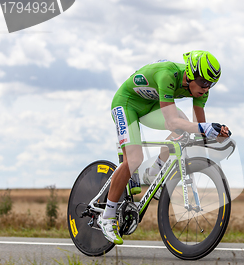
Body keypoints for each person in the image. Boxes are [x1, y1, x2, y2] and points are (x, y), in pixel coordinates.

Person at [98, 50, 230, 245]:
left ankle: (155, 171)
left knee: (184, 128)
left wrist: (217, 135)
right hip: (126, 104)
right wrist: (205, 128)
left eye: (211, 84)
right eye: (204, 82)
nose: (206, 88)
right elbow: (170, 122)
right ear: (192, 73)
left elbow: (199, 130)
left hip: (150, 106)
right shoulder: (167, 74)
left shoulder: (202, 91)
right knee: (134, 160)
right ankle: (107, 217)